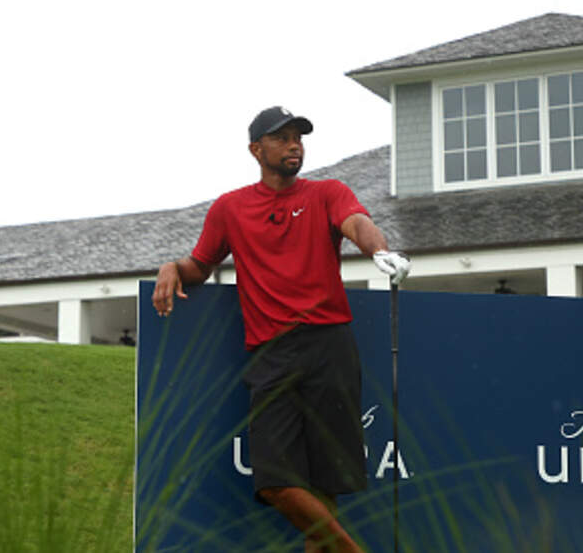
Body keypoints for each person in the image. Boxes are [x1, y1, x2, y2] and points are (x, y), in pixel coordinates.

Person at [151, 106, 410, 553]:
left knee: (325, 486)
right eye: (282, 138)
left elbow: (357, 223)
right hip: (272, 353)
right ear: (256, 150)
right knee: (275, 482)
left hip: (329, 345)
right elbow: (200, 265)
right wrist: (170, 267)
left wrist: (379, 251)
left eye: (299, 138)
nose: (295, 145)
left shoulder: (327, 192)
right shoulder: (230, 208)